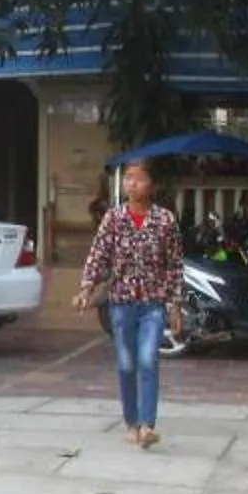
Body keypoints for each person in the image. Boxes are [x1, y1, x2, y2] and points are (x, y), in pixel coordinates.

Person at [73, 160, 184, 447]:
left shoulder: (165, 221)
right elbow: (98, 255)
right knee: (126, 364)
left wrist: (176, 306)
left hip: (153, 303)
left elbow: (174, 265)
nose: (132, 184)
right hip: (121, 303)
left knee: (148, 360)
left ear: (152, 185)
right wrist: (87, 287)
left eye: (139, 179)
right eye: (128, 179)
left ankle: (147, 426)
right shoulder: (114, 218)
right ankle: (132, 423)